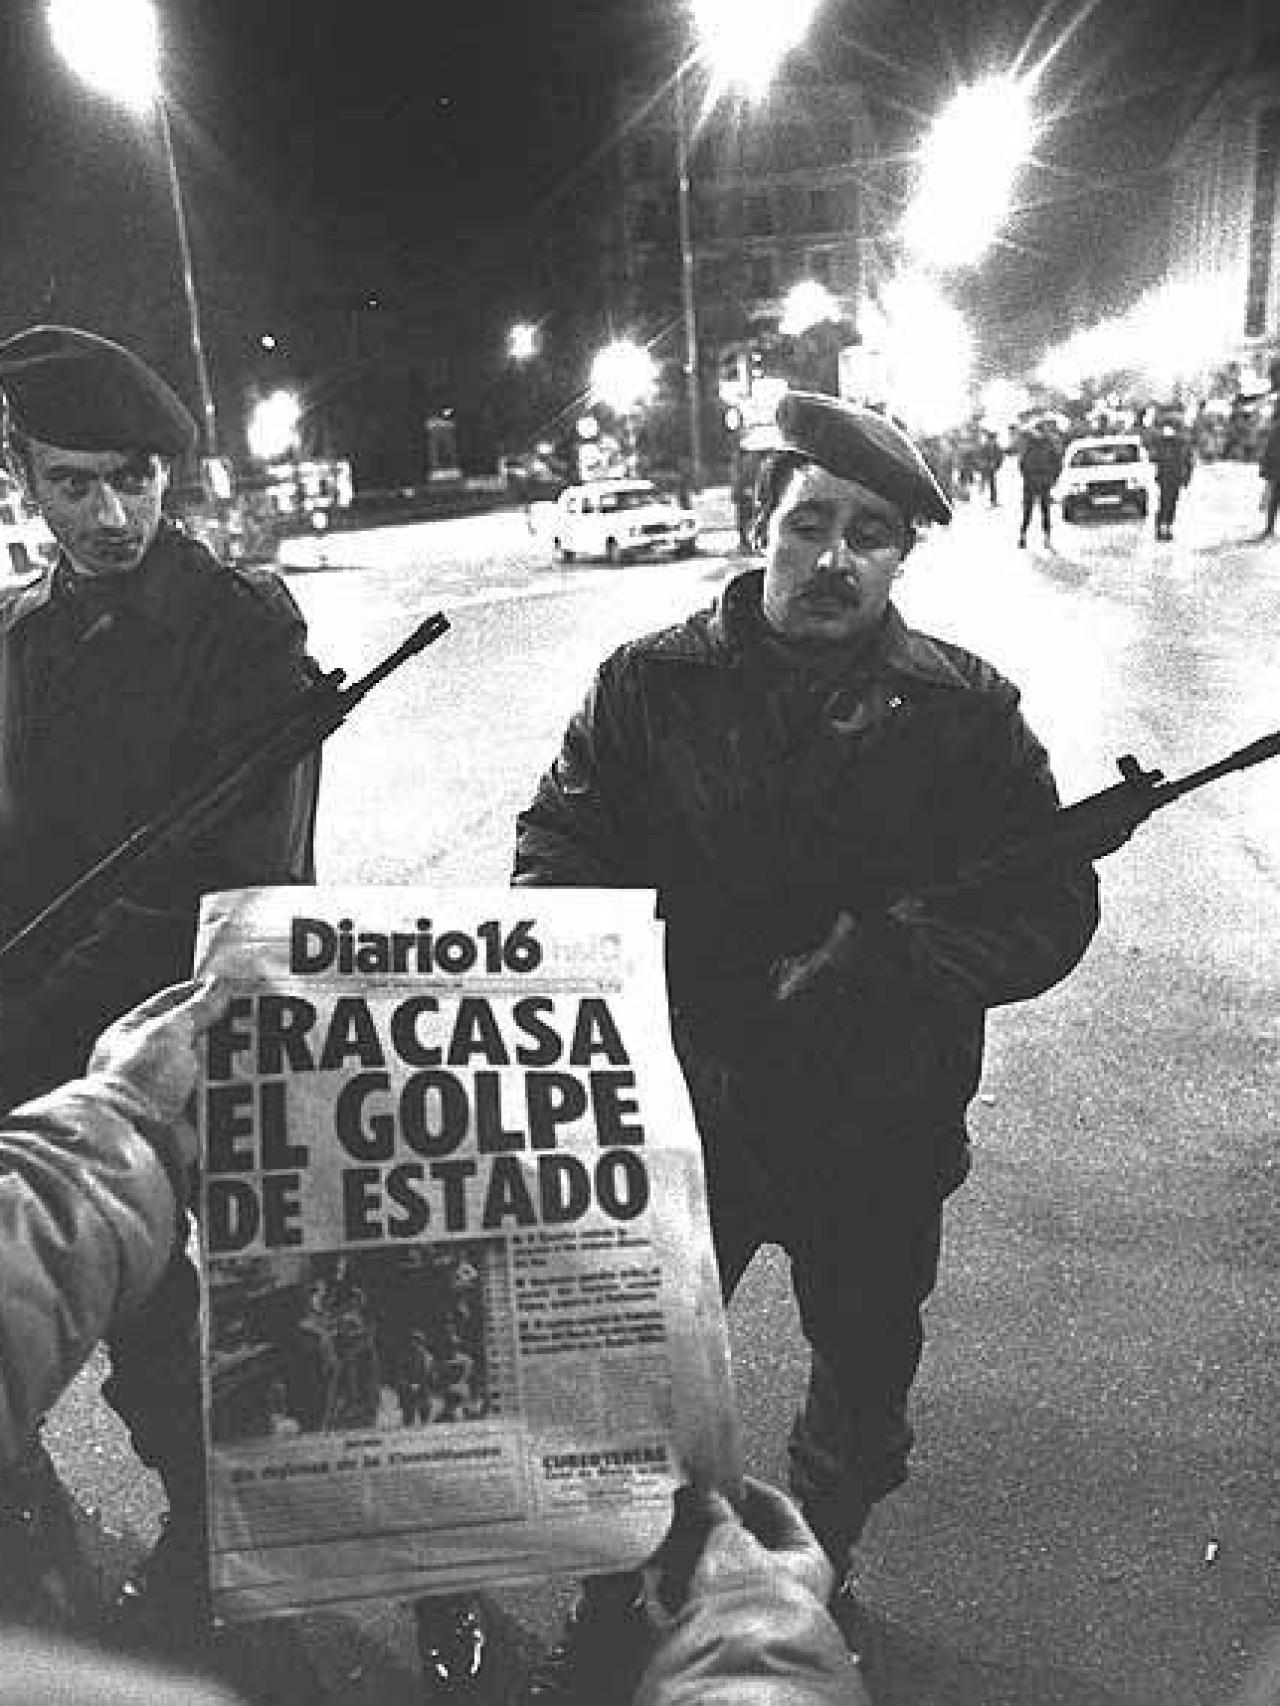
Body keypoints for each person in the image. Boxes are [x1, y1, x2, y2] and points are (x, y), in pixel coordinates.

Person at [513, 389, 1100, 1702]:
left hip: (878, 1125)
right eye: (812, 523)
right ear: (760, 525)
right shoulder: (647, 684)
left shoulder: (966, 711)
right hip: (685, 1119)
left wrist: (895, 963)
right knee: (637, 1387)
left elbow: (1050, 902)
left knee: (863, 1382)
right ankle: (619, 1599)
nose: (836, 558)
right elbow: (560, 843)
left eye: (872, 535)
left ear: (901, 557)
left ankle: (806, 1585)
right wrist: (621, 969)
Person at [0, 323, 324, 1642]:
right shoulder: (17, 630)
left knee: (218, 1320)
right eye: (74, 483)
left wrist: (31, 1014)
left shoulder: (241, 625)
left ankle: (223, 1535)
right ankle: (41, 1509)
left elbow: (238, 871)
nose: (112, 511)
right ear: (22, 478)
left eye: (135, 477)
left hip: (189, 1032)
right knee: (85, 1297)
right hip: (38, 1024)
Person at [1147, 416, 1194, 541]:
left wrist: (1186, 478)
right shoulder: (1160, 444)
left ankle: (1167, 527)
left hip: (1175, 478)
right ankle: (1162, 528)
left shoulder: (1181, 445)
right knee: (1164, 502)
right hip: (1165, 478)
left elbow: (1188, 462)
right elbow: (1153, 458)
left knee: (1171, 503)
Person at [1017, 421, 1062, 546]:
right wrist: (1027, 477)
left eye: (1042, 430)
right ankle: (1023, 536)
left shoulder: (1049, 445)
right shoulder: (1029, 445)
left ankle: (1047, 537)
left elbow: (1057, 464)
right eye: (1039, 430)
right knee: (1028, 511)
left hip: (1043, 482)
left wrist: (1053, 479)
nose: (1040, 433)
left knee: (1045, 510)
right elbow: (1022, 464)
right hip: (1031, 482)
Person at [1258, 405, 1280, 538]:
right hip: (1277, 470)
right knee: (1274, 499)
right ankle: (1269, 528)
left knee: (1274, 499)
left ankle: (1269, 528)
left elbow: (1268, 449)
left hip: (1276, 470)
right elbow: (1269, 449)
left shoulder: (1276, 427)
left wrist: (1265, 467)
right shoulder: (1277, 428)